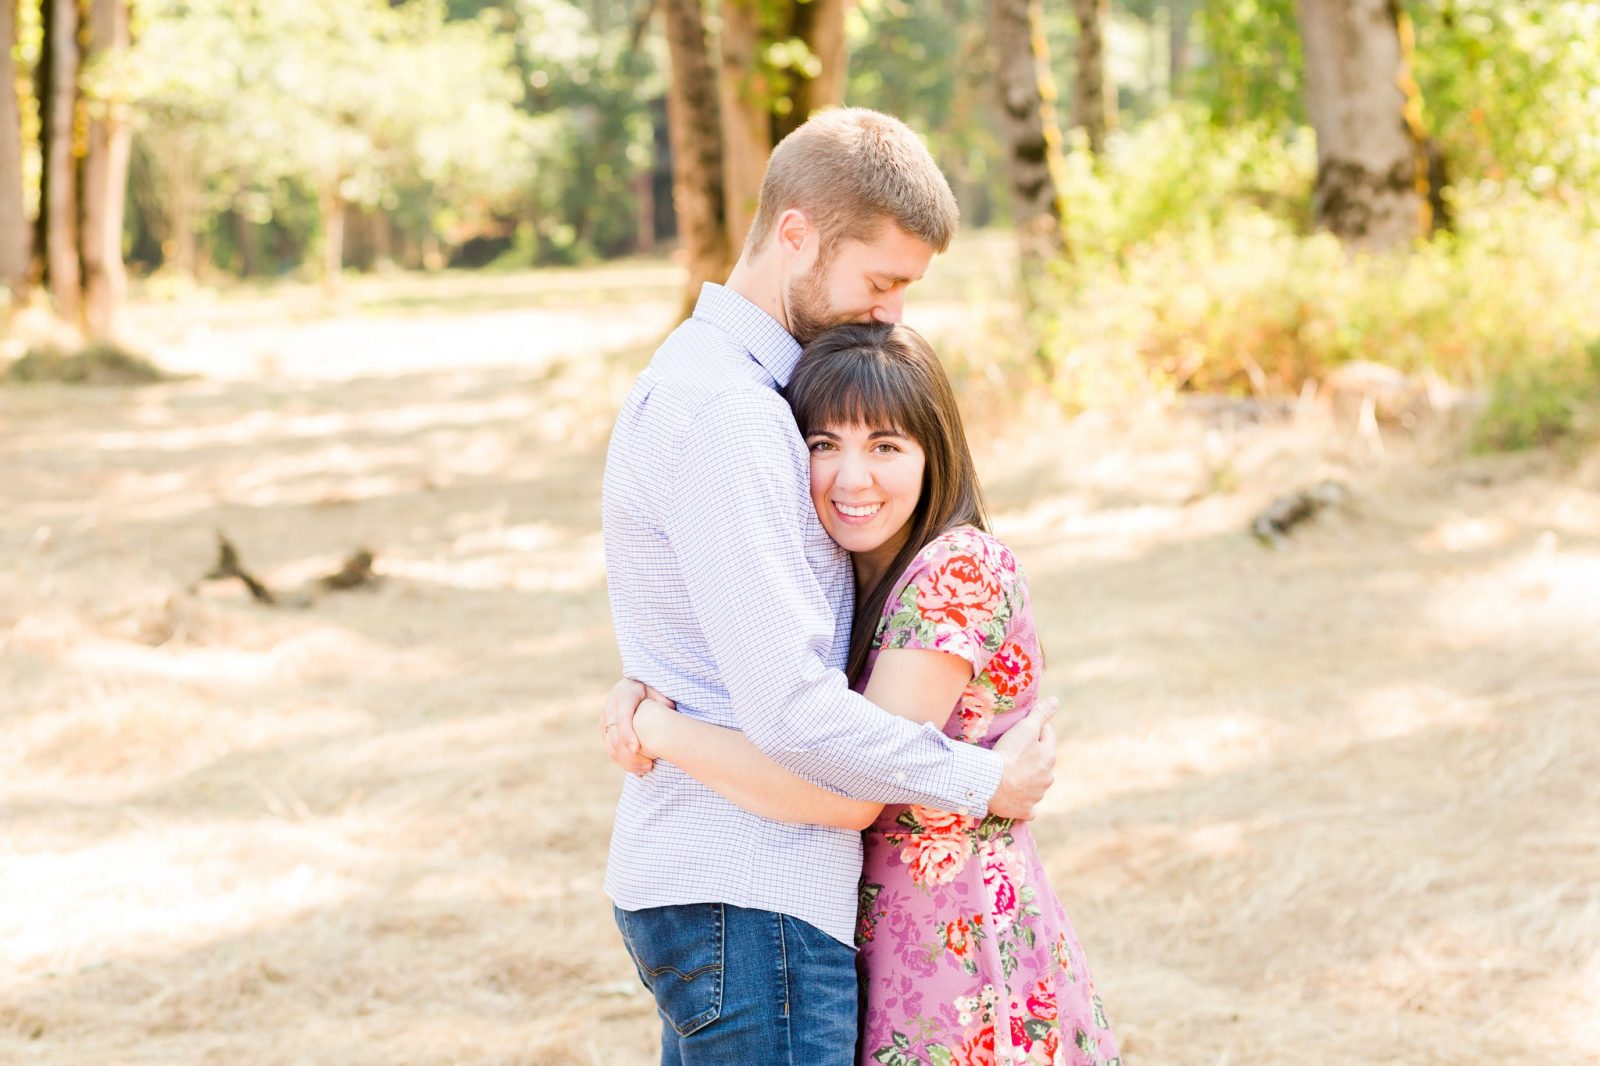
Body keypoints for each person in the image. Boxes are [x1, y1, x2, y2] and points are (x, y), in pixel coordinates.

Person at [598, 108, 1060, 1065]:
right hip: (751, 891)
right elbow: (793, 714)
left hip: (732, 891)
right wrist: (988, 781)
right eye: (881, 280)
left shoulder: (729, 389)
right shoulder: (730, 414)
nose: (893, 310)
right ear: (797, 234)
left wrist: (653, 720)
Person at [622, 323, 1121, 1066]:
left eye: (885, 446)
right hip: (876, 933)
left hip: (953, 946)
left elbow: (857, 774)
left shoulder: (957, 569)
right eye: (824, 445)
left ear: (933, 453)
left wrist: (659, 732)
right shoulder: (845, 577)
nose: (851, 478)